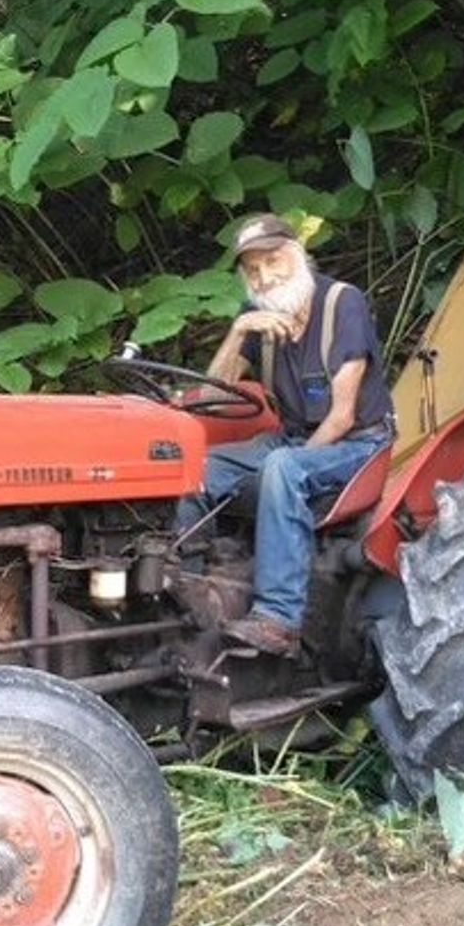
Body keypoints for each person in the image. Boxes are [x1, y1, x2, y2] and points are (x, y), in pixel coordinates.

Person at [176, 214, 394, 658]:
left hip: (357, 442)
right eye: (252, 270)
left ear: (297, 256)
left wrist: (286, 469)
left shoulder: (341, 304)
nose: (265, 276)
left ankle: (279, 620)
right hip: (290, 438)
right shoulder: (257, 317)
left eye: (273, 261)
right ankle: (185, 590)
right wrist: (239, 332)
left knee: (281, 467)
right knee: (193, 468)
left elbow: (342, 415)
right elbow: (212, 396)